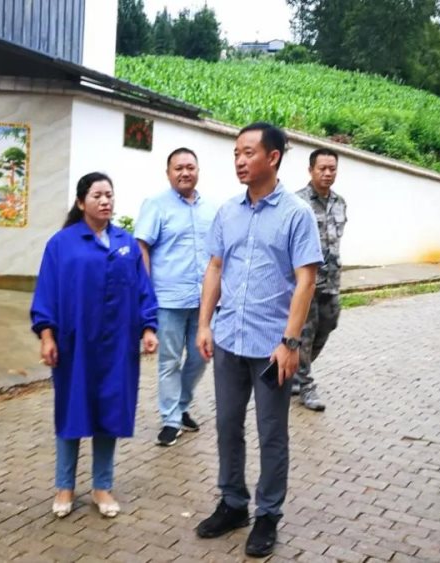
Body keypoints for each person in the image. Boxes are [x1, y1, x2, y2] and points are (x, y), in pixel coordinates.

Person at [194, 123, 322, 558]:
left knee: (272, 433)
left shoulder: (296, 214)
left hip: (272, 348)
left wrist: (291, 342)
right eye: (236, 153)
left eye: (248, 152)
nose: (240, 161)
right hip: (229, 338)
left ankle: (268, 514)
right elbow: (215, 267)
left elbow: (306, 280)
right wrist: (204, 325)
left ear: (273, 157)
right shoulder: (227, 211)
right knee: (227, 425)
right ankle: (233, 504)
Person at [31, 172, 159, 520]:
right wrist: (47, 336)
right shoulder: (62, 244)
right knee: (71, 412)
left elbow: (143, 290)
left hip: (117, 347)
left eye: (109, 195)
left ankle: (102, 486)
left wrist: (149, 327)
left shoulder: (126, 244)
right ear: (80, 202)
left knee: (109, 413)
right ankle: (64, 487)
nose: (105, 201)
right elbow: (46, 292)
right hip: (75, 345)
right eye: (97, 195)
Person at [134, 147, 215, 447]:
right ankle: (171, 419)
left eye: (190, 167)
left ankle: (180, 406)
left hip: (204, 300)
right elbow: (142, 247)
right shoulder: (156, 205)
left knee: (200, 357)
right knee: (169, 361)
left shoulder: (211, 208)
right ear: (168, 173)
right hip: (167, 299)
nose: (185, 173)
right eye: (178, 168)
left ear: (198, 171)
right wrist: (145, 292)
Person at [293, 148, 347, 411]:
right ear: (311, 170)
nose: (327, 173)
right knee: (305, 334)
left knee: (329, 324)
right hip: (305, 282)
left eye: (332, 169)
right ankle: (306, 386)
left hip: (331, 281)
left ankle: (295, 371)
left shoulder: (340, 202)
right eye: (322, 168)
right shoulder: (297, 203)